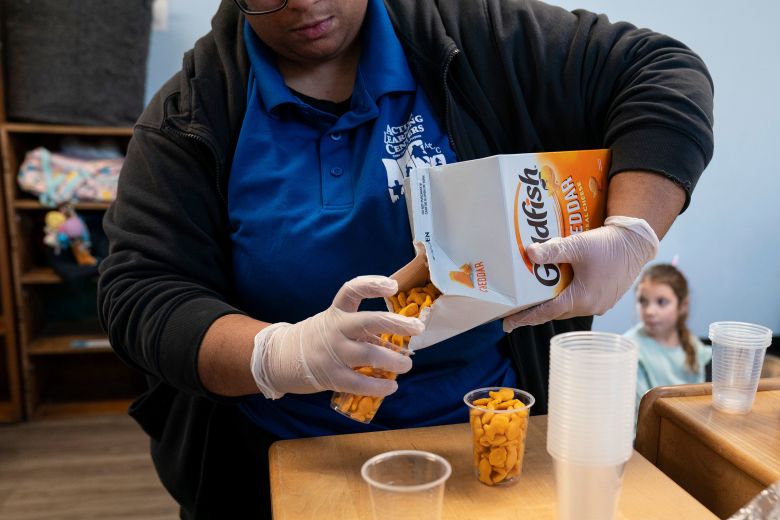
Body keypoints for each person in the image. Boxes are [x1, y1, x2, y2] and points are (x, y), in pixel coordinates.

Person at [97, 0, 714, 517]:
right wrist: (280, 356)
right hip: (279, 459)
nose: (306, 5)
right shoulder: (188, 117)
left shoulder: (478, 36)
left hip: (489, 449)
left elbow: (661, 69)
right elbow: (140, 292)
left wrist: (633, 230)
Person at [627, 263, 712, 407]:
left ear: (682, 306)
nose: (649, 311)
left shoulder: (691, 343)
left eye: (661, 302)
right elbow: (639, 418)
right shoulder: (631, 349)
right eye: (643, 301)